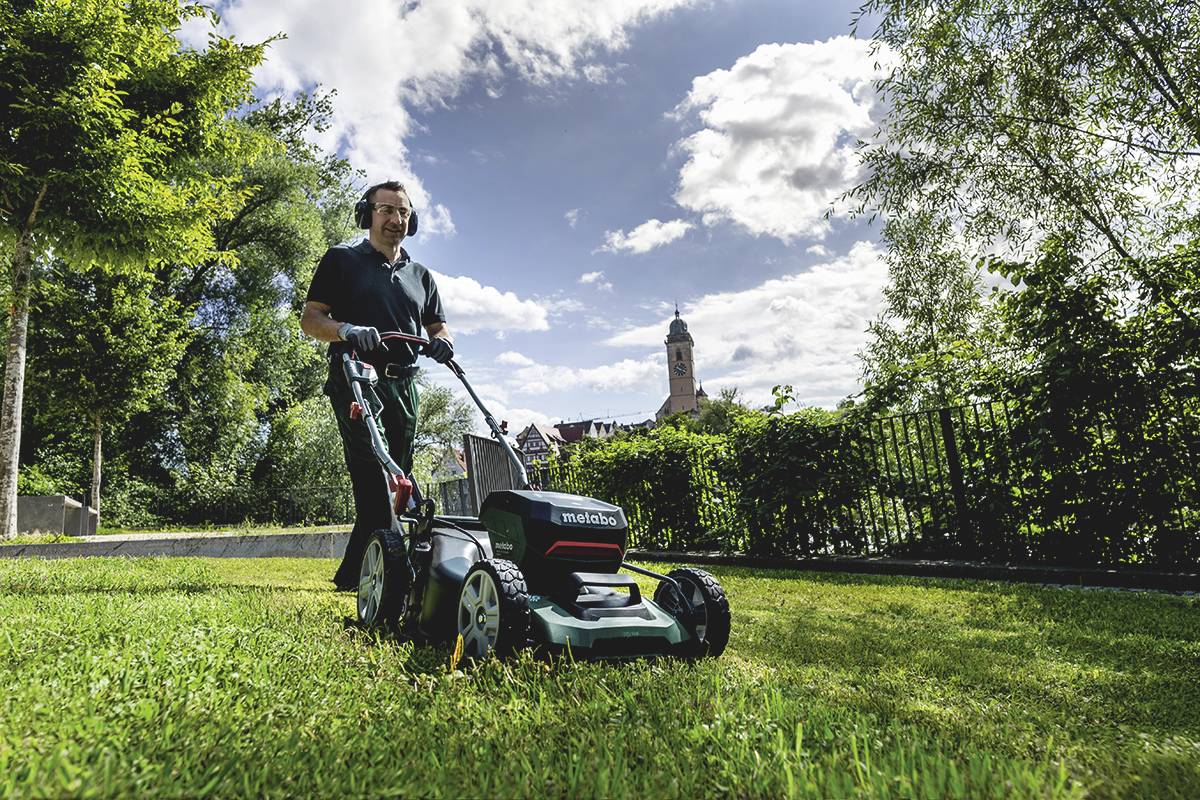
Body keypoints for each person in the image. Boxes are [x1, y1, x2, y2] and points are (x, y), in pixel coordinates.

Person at [300, 180, 455, 590]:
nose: (395, 219)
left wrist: (442, 342)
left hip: (404, 385)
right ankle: (385, 570)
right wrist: (347, 329)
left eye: (402, 212)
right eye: (385, 210)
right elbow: (311, 318)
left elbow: (439, 325)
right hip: (356, 377)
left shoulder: (421, 275)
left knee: (397, 477)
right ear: (367, 214)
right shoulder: (342, 260)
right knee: (374, 471)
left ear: (413, 220)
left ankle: (357, 571)